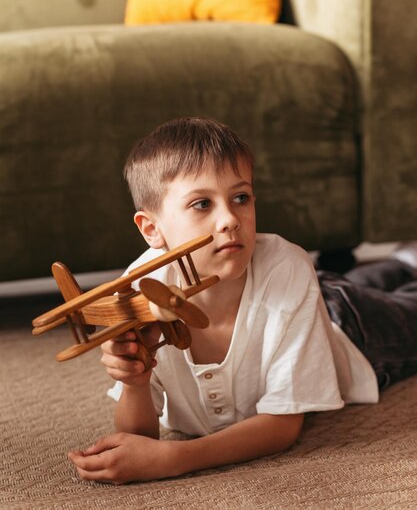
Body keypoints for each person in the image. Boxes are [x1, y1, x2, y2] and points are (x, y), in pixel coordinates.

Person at [68, 117, 417, 484]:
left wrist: (178, 458)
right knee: (352, 283)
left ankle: (403, 263)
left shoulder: (287, 266)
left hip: (347, 325)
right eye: (202, 204)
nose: (229, 219)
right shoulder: (140, 291)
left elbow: (282, 426)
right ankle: (402, 262)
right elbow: (139, 440)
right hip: (308, 296)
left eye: (240, 198)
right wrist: (137, 381)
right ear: (152, 229)